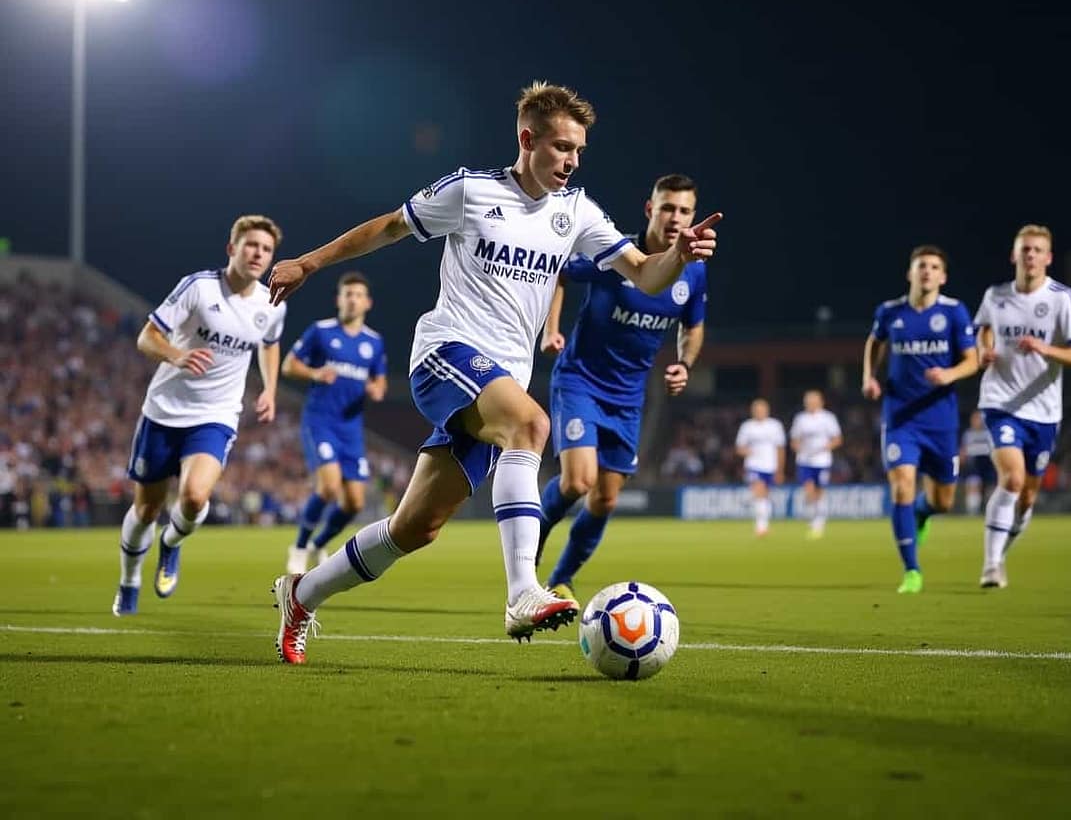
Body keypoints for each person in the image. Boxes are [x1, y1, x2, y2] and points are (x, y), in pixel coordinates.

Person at [267, 82, 720, 664]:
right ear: (527, 140)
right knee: (532, 427)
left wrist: (678, 256)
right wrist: (308, 261)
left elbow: (646, 274)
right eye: (561, 148)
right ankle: (521, 593)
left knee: (414, 529)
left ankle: (300, 596)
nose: (572, 161)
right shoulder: (470, 192)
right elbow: (387, 228)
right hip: (446, 352)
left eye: (579, 150)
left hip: (499, 378)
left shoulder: (575, 211)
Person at [535, 173, 708, 600]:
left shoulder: (694, 272)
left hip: (629, 396)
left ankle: (561, 578)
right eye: (667, 207)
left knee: (605, 498)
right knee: (577, 482)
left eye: (684, 211)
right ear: (650, 209)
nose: (675, 218)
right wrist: (551, 328)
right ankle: (527, 550)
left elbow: (694, 327)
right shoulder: (615, 252)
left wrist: (685, 363)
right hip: (580, 380)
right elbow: (559, 271)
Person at [112, 215, 286, 615]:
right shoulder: (198, 287)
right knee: (146, 510)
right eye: (251, 245)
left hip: (216, 415)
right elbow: (147, 337)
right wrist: (178, 355)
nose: (258, 254)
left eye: (266, 249)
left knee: (193, 497)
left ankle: (171, 544)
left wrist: (272, 389)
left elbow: (270, 344)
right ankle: (130, 578)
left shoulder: (271, 303)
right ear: (232, 249)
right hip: (163, 411)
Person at [863, 245, 979, 594]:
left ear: (942, 276)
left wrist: (950, 374)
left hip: (940, 421)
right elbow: (874, 342)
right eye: (921, 266)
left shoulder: (955, 312)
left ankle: (924, 513)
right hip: (900, 418)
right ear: (910, 273)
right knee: (902, 487)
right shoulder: (890, 312)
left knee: (943, 500)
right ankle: (912, 570)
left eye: (933, 267)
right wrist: (869, 376)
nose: (926, 271)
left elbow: (973, 360)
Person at [974, 225, 1071, 589]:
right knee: (1012, 479)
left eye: (1037, 250)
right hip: (1000, 402)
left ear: (1048, 258)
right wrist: (982, 351)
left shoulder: (1062, 299)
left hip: (1044, 412)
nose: (1030, 255)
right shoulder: (996, 296)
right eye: (1025, 249)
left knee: (1028, 495)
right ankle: (990, 565)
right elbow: (984, 330)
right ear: (1013, 255)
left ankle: (1002, 548)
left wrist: (1046, 349)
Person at [283, 271, 388, 573]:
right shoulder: (321, 331)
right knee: (328, 488)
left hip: (351, 429)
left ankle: (320, 543)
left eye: (358, 295)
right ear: (338, 299)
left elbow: (379, 382)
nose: (352, 299)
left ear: (367, 303)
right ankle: (301, 545)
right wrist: (315, 374)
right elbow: (289, 365)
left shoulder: (374, 342)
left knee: (354, 503)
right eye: (347, 294)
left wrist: (376, 389)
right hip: (320, 421)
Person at [789, 389, 842, 539]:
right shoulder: (800, 419)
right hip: (804, 460)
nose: (810, 404)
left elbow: (837, 439)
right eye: (808, 401)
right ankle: (814, 517)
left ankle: (819, 520)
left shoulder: (828, 418)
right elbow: (794, 440)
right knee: (809, 489)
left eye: (813, 401)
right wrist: (798, 448)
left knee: (820, 491)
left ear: (820, 402)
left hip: (822, 460)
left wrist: (824, 448)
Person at [734, 398, 786, 536]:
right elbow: (739, 448)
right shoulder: (747, 426)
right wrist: (747, 451)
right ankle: (761, 527)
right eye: (757, 410)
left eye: (762, 409)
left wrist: (780, 469)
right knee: (760, 491)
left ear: (767, 411)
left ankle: (760, 520)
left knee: (764, 496)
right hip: (754, 465)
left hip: (770, 465)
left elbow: (780, 449)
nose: (759, 412)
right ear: (752, 411)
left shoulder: (775, 426)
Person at [959, 410, 994, 516]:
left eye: (979, 419)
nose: (977, 421)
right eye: (975, 419)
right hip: (973, 464)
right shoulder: (968, 434)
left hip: (988, 463)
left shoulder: (988, 433)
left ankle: (992, 511)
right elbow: (963, 450)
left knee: (992, 487)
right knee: (973, 484)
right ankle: (972, 511)